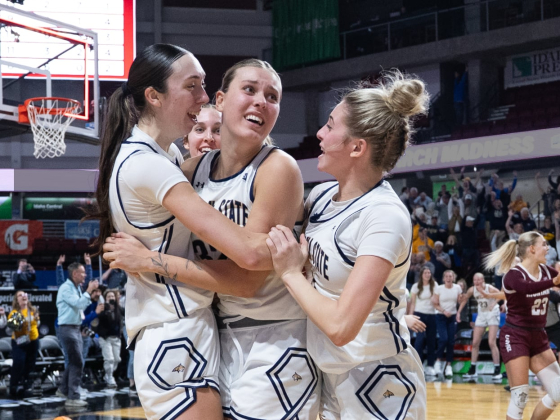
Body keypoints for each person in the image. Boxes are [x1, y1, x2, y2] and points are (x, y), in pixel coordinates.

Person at [102, 57, 319, 419]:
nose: (261, 101)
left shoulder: (277, 167)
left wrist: (148, 261)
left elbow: (247, 278)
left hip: (275, 337)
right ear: (219, 100)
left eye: (272, 96)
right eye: (249, 89)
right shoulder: (190, 170)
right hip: (220, 336)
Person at [265, 70, 429, 419]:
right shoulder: (322, 196)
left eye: (330, 124)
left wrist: (292, 273)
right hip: (329, 372)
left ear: (357, 147)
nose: (320, 134)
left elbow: (341, 327)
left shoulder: (384, 217)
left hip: (377, 376)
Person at [485, 232, 560, 420]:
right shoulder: (513, 275)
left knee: (558, 390)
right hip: (515, 336)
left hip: (538, 337)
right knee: (520, 396)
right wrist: (553, 282)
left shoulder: (545, 270)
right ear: (532, 249)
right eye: (544, 244)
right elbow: (527, 289)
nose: (548, 248)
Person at [56, 262, 99, 407]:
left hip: (76, 327)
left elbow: (81, 307)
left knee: (75, 360)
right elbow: (79, 304)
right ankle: (73, 397)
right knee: (77, 361)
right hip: (67, 328)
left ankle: (63, 389)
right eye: (82, 272)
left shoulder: (76, 287)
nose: (85, 275)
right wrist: (89, 290)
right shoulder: (66, 288)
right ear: (75, 274)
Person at [458, 272, 502, 380]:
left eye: (479, 280)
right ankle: (473, 369)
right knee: (475, 342)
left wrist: (494, 303)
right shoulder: (472, 289)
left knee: (491, 342)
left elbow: (501, 294)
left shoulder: (489, 288)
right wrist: (458, 312)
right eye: (475, 280)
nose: (477, 282)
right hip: (482, 314)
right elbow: (465, 299)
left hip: (492, 313)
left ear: (483, 280)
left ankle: (497, 370)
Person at [7, 291, 40, 399]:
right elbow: (12, 330)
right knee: (19, 362)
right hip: (19, 341)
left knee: (30, 364)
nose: (23, 296)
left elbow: (37, 323)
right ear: (17, 300)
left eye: (24, 294)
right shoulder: (14, 313)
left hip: (33, 340)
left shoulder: (33, 310)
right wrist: (21, 320)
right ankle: (14, 386)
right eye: (20, 295)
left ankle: (26, 385)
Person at [432, 269, 462, 377]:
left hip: (452, 317)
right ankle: (438, 361)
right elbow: (434, 303)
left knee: (451, 341)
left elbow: (460, 301)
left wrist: (459, 308)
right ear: (444, 278)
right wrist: (444, 311)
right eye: (447, 276)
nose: (449, 278)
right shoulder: (439, 288)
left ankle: (448, 365)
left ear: (453, 278)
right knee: (443, 339)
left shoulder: (457, 288)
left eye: (451, 276)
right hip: (441, 316)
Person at [409, 266, 438, 376]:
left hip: (431, 315)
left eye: (429, 273)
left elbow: (436, 300)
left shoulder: (434, 285)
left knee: (431, 341)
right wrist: (411, 316)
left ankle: (430, 366)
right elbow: (412, 302)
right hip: (419, 314)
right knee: (419, 341)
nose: (427, 274)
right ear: (421, 275)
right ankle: (418, 365)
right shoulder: (415, 286)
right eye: (425, 273)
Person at [97, 289, 123, 388]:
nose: (111, 298)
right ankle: (109, 377)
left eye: (112, 296)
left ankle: (109, 374)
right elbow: (100, 318)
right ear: (105, 299)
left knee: (117, 359)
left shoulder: (118, 308)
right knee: (109, 359)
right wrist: (107, 308)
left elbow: (125, 314)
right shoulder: (102, 308)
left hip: (116, 337)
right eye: (109, 297)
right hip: (105, 338)